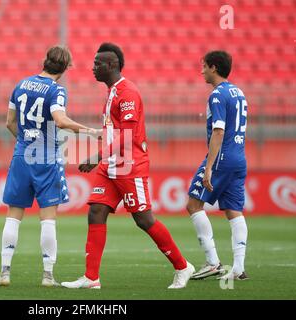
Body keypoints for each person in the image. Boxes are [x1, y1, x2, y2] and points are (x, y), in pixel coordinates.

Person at [61, 43, 195, 290]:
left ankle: (182, 266)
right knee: (96, 212)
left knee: (143, 219)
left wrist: (96, 156)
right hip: (111, 166)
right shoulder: (112, 92)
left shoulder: (128, 93)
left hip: (130, 165)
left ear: (111, 65)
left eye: (98, 63)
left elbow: (126, 135)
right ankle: (91, 278)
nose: (93, 68)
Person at [0, 45, 100, 287]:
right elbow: (60, 120)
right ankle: (48, 275)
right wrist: (90, 132)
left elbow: (9, 122)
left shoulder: (21, 85)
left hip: (22, 155)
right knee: (48, 218)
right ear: (65, 69)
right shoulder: (57, 90)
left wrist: (25, 142)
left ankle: (4, 273)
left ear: (44, 61)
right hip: (47, 158)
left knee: (13, 215)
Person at [187, 51, 249, 281]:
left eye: (203, 66)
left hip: (221, 159)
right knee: (233, 210)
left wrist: (210, 166)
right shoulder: (238, 92)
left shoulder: (217, 95)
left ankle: (213, 262)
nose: (201, 70)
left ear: (214, 67)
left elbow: (219, 130)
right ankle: (239, 269)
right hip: (239, 158)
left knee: (193, 204)